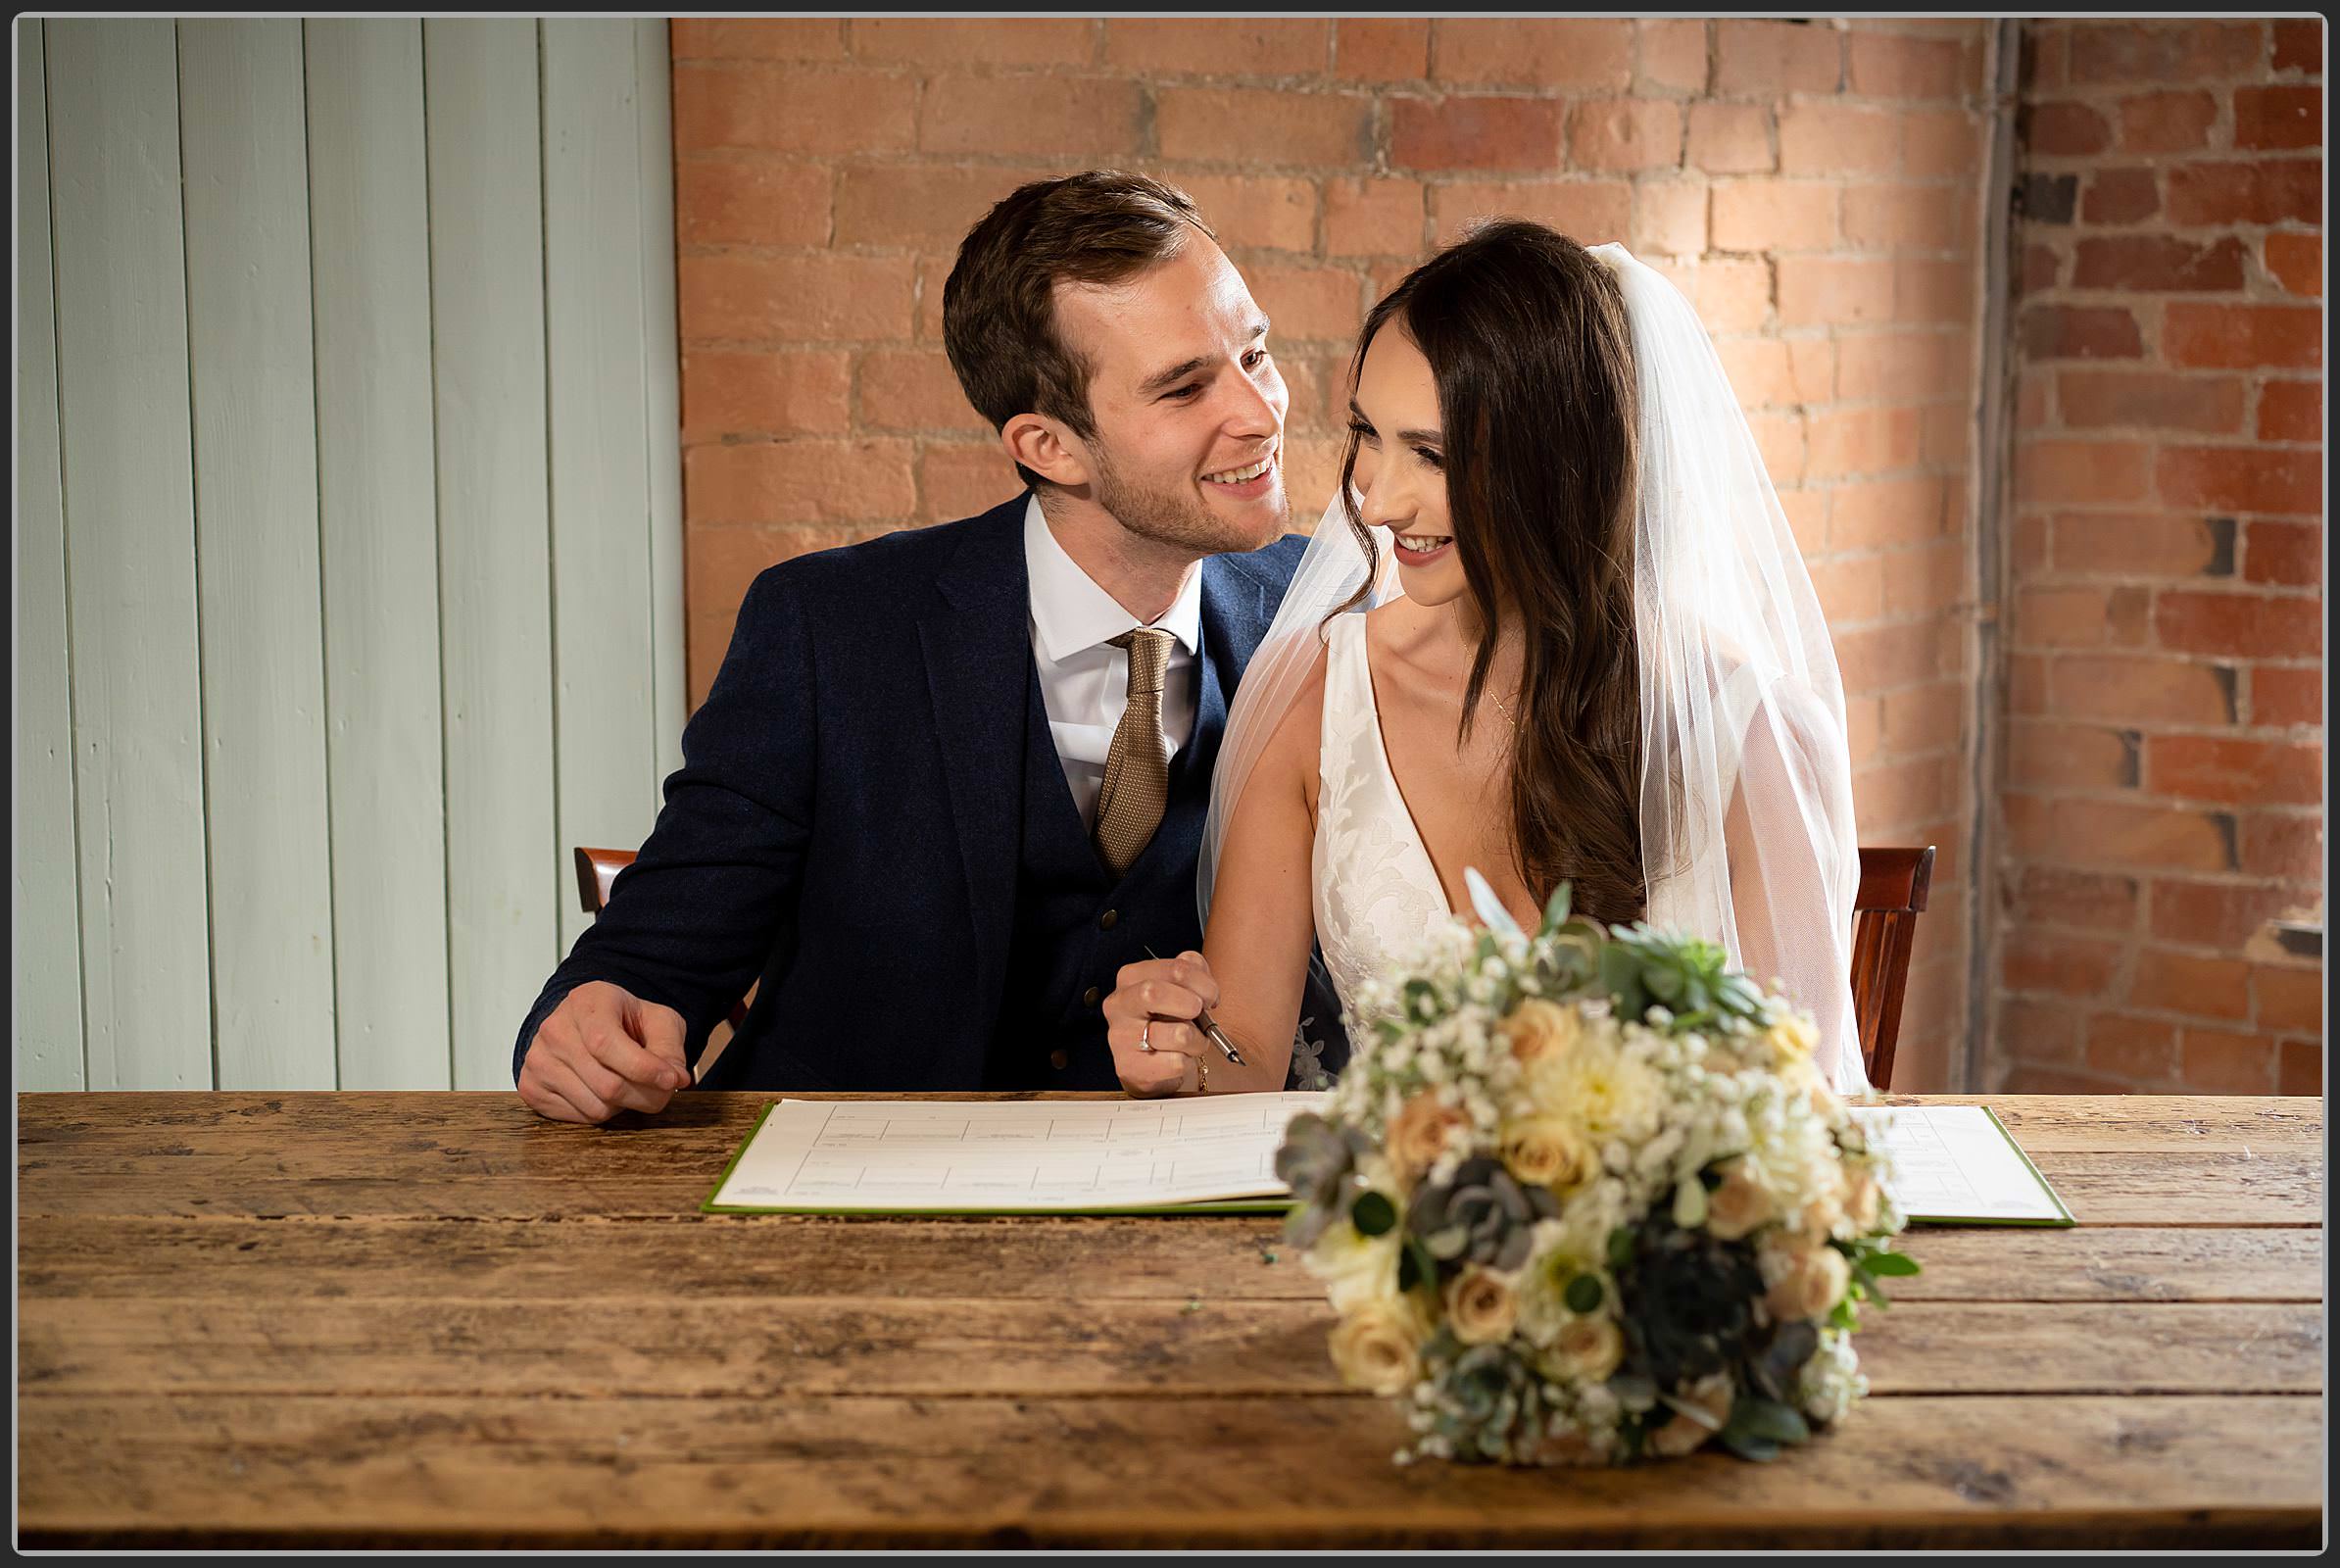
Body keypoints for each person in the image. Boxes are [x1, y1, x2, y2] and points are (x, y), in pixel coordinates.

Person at [513, 170, 1345, 1123]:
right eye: (1185, 386)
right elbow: (646, 960)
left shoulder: (1320, 617)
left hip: (1176, 1223)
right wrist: (588, 1029)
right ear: (1049, 446)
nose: (1259, 410)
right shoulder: (829, 631)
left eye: (1254, 351)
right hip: (846, 1211)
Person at [1102, 220, 1873, 1097]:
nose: (1380, 499)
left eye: (1431, 454)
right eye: (1368, 434)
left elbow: (1806, 1110)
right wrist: (1171, 1049)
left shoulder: (1743, 729)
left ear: (1557, 462)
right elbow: (1236, 1070)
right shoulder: (1317, 698)